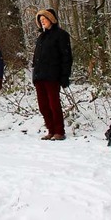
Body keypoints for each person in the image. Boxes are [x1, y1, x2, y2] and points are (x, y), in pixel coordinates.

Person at [32, 8, 72, 141]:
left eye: (45, 19)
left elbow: (66, 57)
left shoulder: (61, 35)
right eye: (41, 20)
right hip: (39, 76)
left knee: (54, 104)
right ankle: (51, 130)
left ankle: (59, 131)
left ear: (51, 19)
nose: (43, 22)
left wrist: (65, 76)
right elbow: (36, 58)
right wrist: (35, 74)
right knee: (43, 106)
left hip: (53, 75)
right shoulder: (41, 37)